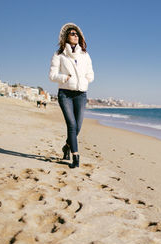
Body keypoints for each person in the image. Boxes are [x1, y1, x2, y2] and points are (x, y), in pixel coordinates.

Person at [49, 23, 94, 168]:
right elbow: (52, 75)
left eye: (77, 34)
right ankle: (76, 157)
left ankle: (66, 146)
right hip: (65, 94)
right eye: (72, 34)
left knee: (78, 127)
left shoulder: (85, 54)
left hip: (81, 94)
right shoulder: (59, 54)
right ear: (66, 37)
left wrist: (87, 79)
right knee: (72, 125)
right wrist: (65, 78)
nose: (75, 36)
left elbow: (90, 72)